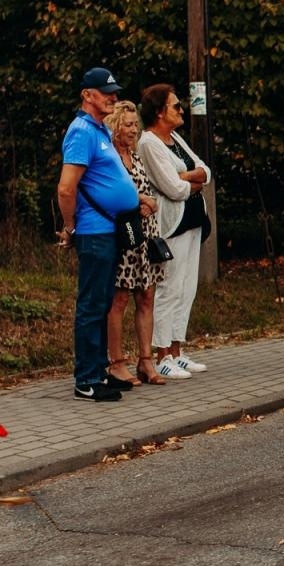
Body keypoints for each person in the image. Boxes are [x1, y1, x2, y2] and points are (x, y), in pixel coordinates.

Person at [56, 67, 139, 402]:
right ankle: (86, 379)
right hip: (93, 231)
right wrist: (71, 226)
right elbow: (66, 188)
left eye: (114, 92)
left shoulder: (100, 129)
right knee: (91, 305)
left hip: (109, 230)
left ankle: (99, 371)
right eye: (106, 92)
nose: (113, 98)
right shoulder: (81, 132)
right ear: (87, 95)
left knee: (103, 302)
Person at [137, 83, 212, 378]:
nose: (181, 110)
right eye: (176, 106)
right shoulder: (149, 143)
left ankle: (178, 350)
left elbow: (205, 170)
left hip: (193, 221)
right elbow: (174, 188)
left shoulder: (175, 137)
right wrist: (188, 180)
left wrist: (187, 177)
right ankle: (162, 353)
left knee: (187, 286)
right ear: (159, 112)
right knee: (168, 287)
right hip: (172, 223)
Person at [103, 101, 167, 385]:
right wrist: (141, 201)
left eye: (134, 124)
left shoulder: (135, 155)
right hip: (124, 235)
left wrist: (149, 203)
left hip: (146, 235)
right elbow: (112, 192)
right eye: (127, 124)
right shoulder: (109, 158)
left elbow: (144, 188)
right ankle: (116, 362)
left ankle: (145, 360)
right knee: (119, 299)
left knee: (147, 296)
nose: (133, 129)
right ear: (115, 126)